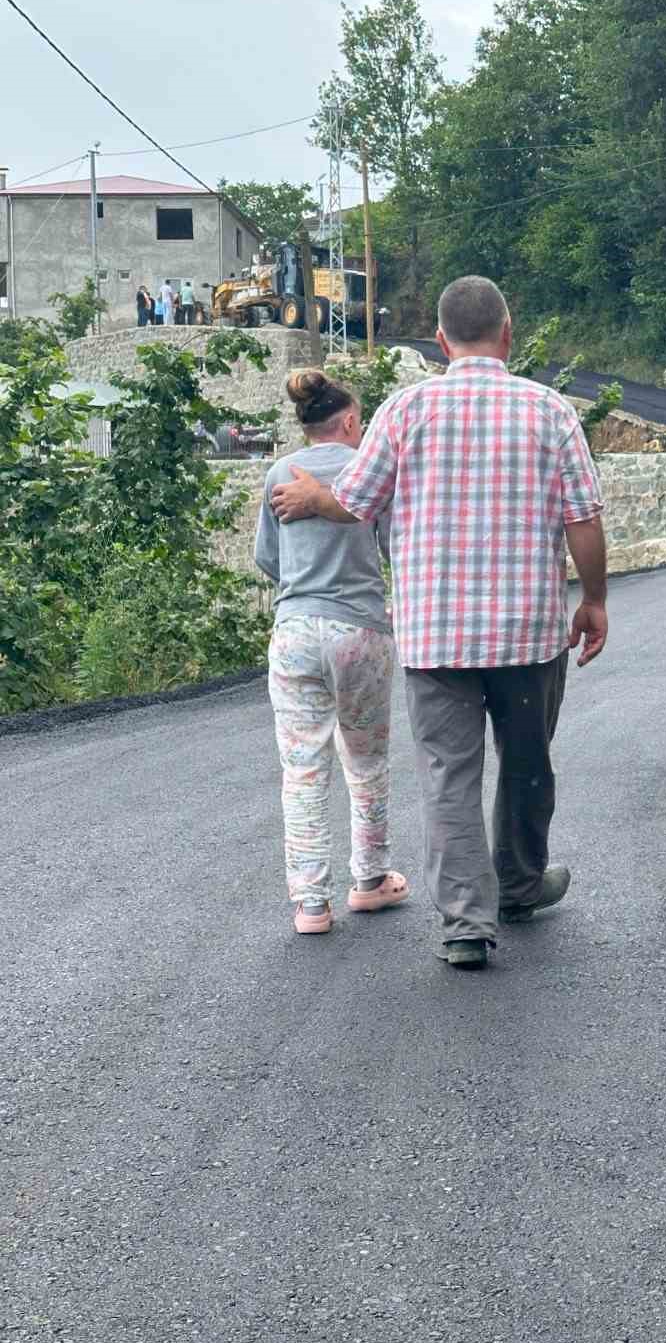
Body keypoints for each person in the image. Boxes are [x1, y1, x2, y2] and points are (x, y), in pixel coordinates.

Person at [270, 275, 607, 971]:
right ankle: (518, 884)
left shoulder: (404, 409)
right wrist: (595, 601)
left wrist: (311, 495)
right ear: (508, 335)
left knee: (449, 773)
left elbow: (357, 504)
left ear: (443, 342)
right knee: (526, 763)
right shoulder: (549, 410)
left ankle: (464, 924)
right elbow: (583, 519)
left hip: (434, 634)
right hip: (528, 632)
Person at [254, 368, 409, 937]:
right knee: (365, 762)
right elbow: (394, 547)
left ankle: (310, 904)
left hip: (295, 632)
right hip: (360, 634)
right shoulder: (369, 472)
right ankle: (370, 882)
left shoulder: (278, 473)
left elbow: (268, 560)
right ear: (348, 422)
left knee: (302, 770)